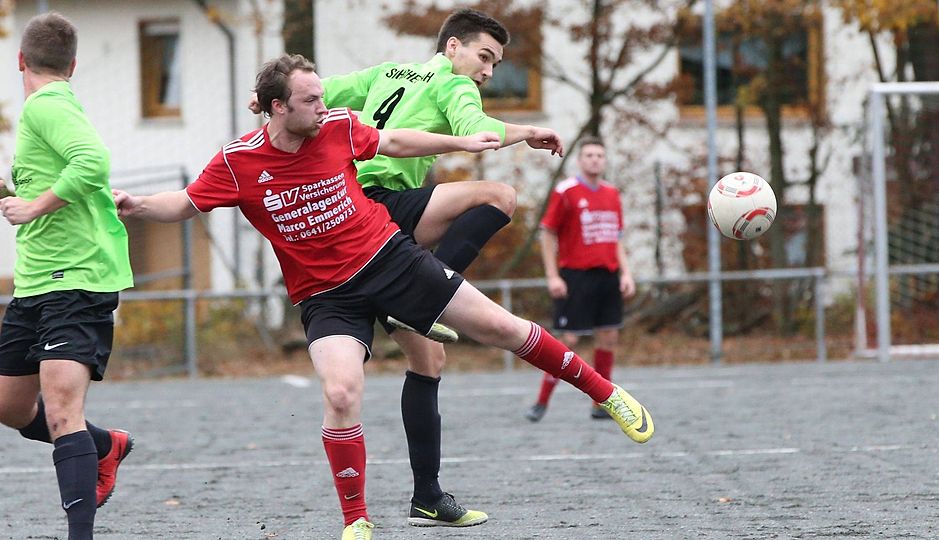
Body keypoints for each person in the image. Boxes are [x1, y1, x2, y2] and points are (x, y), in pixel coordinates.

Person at [116, 54, 653, 540]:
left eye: (324, 97)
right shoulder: (238, 162)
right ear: (277, 109)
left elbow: (397, 140)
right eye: (311, 100)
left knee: (503, 329)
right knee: (342, 393)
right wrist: (136, 205)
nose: (325, 107)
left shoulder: (339, 127)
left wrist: (463, 142)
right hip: (326, 296)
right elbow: (184, 203)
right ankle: (356, 521)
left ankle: (606, 392)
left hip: (391, 260)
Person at [317, 8, 567, 528]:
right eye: (484, 56)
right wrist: (528, 130)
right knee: (500, 196)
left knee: (428, 359)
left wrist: (265, 96)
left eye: (496, 63)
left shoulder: (386, 72)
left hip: (343, 207)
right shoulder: (454, 85)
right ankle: (432, 297)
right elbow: (478, 130)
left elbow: (321, 90)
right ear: (452, 47)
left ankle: (426, 497)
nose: (488, 72)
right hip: (379, 208)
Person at [0, 12, 135, 540]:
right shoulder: (50, 107)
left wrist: (34, 208)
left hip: (76, 277)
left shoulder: (45, 106)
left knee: (60, 409)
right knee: (10, 405)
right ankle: (105, 445)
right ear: (72, 64)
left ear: (20, 60)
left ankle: (80, 533)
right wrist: (22, 200)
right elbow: (46, 181)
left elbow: (93, 161)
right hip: (36, 281)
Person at [525, 137, 636, 422]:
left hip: (608, 276)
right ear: (580, 160)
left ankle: (602, 404)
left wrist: (626, 273)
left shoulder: (612, 193)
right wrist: (553, 275)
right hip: (576, 276)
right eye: (589, 155)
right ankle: (541, 402)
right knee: (568, 340)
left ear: (605, 160)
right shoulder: (566, 192)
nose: (595, 159)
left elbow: (616, 238)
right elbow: (548, 233)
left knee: (609, 336)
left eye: (600, 155)